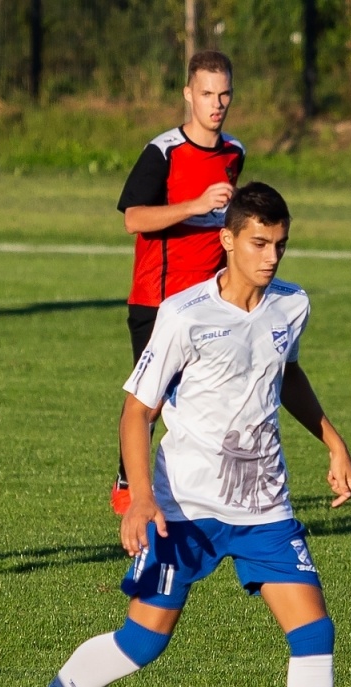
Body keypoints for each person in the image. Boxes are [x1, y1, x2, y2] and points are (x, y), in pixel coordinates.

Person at [6, 183, 351, 687]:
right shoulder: (184, 314)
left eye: (280, 244)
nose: (271, 257)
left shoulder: (291, 304)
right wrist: (139, 500)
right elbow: (137, 411)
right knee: (142, 643)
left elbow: (285, 372)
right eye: (259, 243)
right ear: (227, 240)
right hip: (184, 507)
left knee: (314, 631)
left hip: (264, 505)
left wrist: (332, 440)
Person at [110, 49, 244, 515]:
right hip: (157, 300)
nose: (216, 103)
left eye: (224, 94)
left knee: (209, 399)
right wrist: (196, 205)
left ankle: (201, 492)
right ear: (189, 94)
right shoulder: (163, 151)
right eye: (207, 93)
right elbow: (133, 219)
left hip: (209, 302)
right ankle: (128, 485)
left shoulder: (234, 153)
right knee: (148, 404)